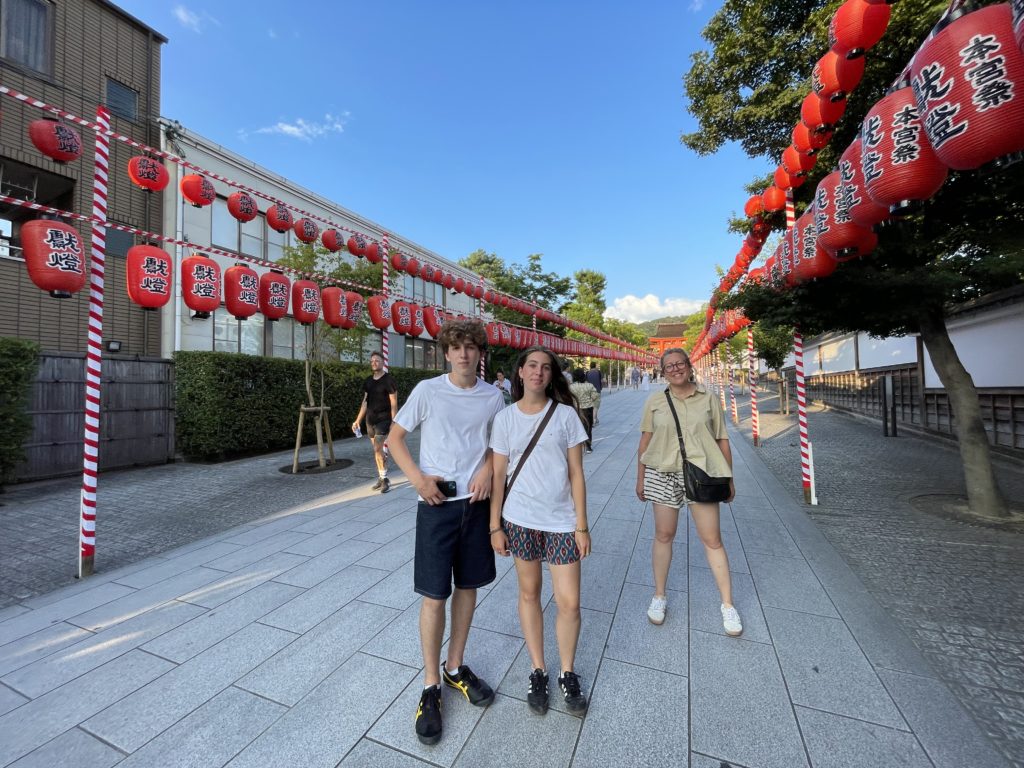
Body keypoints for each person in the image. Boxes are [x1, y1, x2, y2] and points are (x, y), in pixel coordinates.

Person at [388, 319, 507, 746]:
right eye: (456, 348)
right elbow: (395, 439)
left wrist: (486, 469)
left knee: (469, 586)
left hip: (474, 506)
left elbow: (497, 445)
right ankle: (430, 685)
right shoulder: (428, 391)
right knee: (434, 595)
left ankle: (454, 666)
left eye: (471, 347)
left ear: (480, 353)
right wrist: (418, 480)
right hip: (436, 505)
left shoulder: (493, 396)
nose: (463, 354)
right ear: (446, 353)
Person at [490, 346, 591, 716]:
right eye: (531, 365)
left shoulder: (565, 415)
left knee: (570, 602)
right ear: (520, 372)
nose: (538, 372)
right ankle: (538, 670)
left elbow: (576, 473)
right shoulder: (505, 419)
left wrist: (582, 525)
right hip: (519, 519)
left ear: (552, 375)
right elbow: (498, 476)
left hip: (562, 521)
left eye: (545, 367)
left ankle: (567, 671)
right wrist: (494, 525)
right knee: (529, 593)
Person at [635, 348, 742, 636]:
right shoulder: (655, 401)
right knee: (663, 534)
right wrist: (640, 478)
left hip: (702, 472)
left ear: (689, 366)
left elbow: (722, 440)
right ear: (663, 371)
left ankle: (728, 604)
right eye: (669, 366)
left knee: (712, 539)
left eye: (680, 363)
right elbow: (645, 441)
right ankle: (659, 595)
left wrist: (729, 479)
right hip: (662, 471)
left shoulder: (708, 398)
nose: (675, 369)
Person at [351, 351, 398, 493]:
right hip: (370, 420)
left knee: (378, 449)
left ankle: (384, 480)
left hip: (384, 419)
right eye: (372, 361)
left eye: (377, 360)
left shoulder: (389, 380)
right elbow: (365, 402)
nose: (374, 363)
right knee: (377, 451)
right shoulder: (368, 381)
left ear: (383, 362)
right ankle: (382, 477)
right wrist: (357, 420)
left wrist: (394, 421)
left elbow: (394, 402)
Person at [568, 369, 600, 453]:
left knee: (577, 427)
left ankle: (577, 446)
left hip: (576, 409)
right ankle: (588, 447)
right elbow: (595, 397)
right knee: (588, 427)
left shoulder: (571, 387)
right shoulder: (589, 385)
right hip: (588, 408)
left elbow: (569, 398)